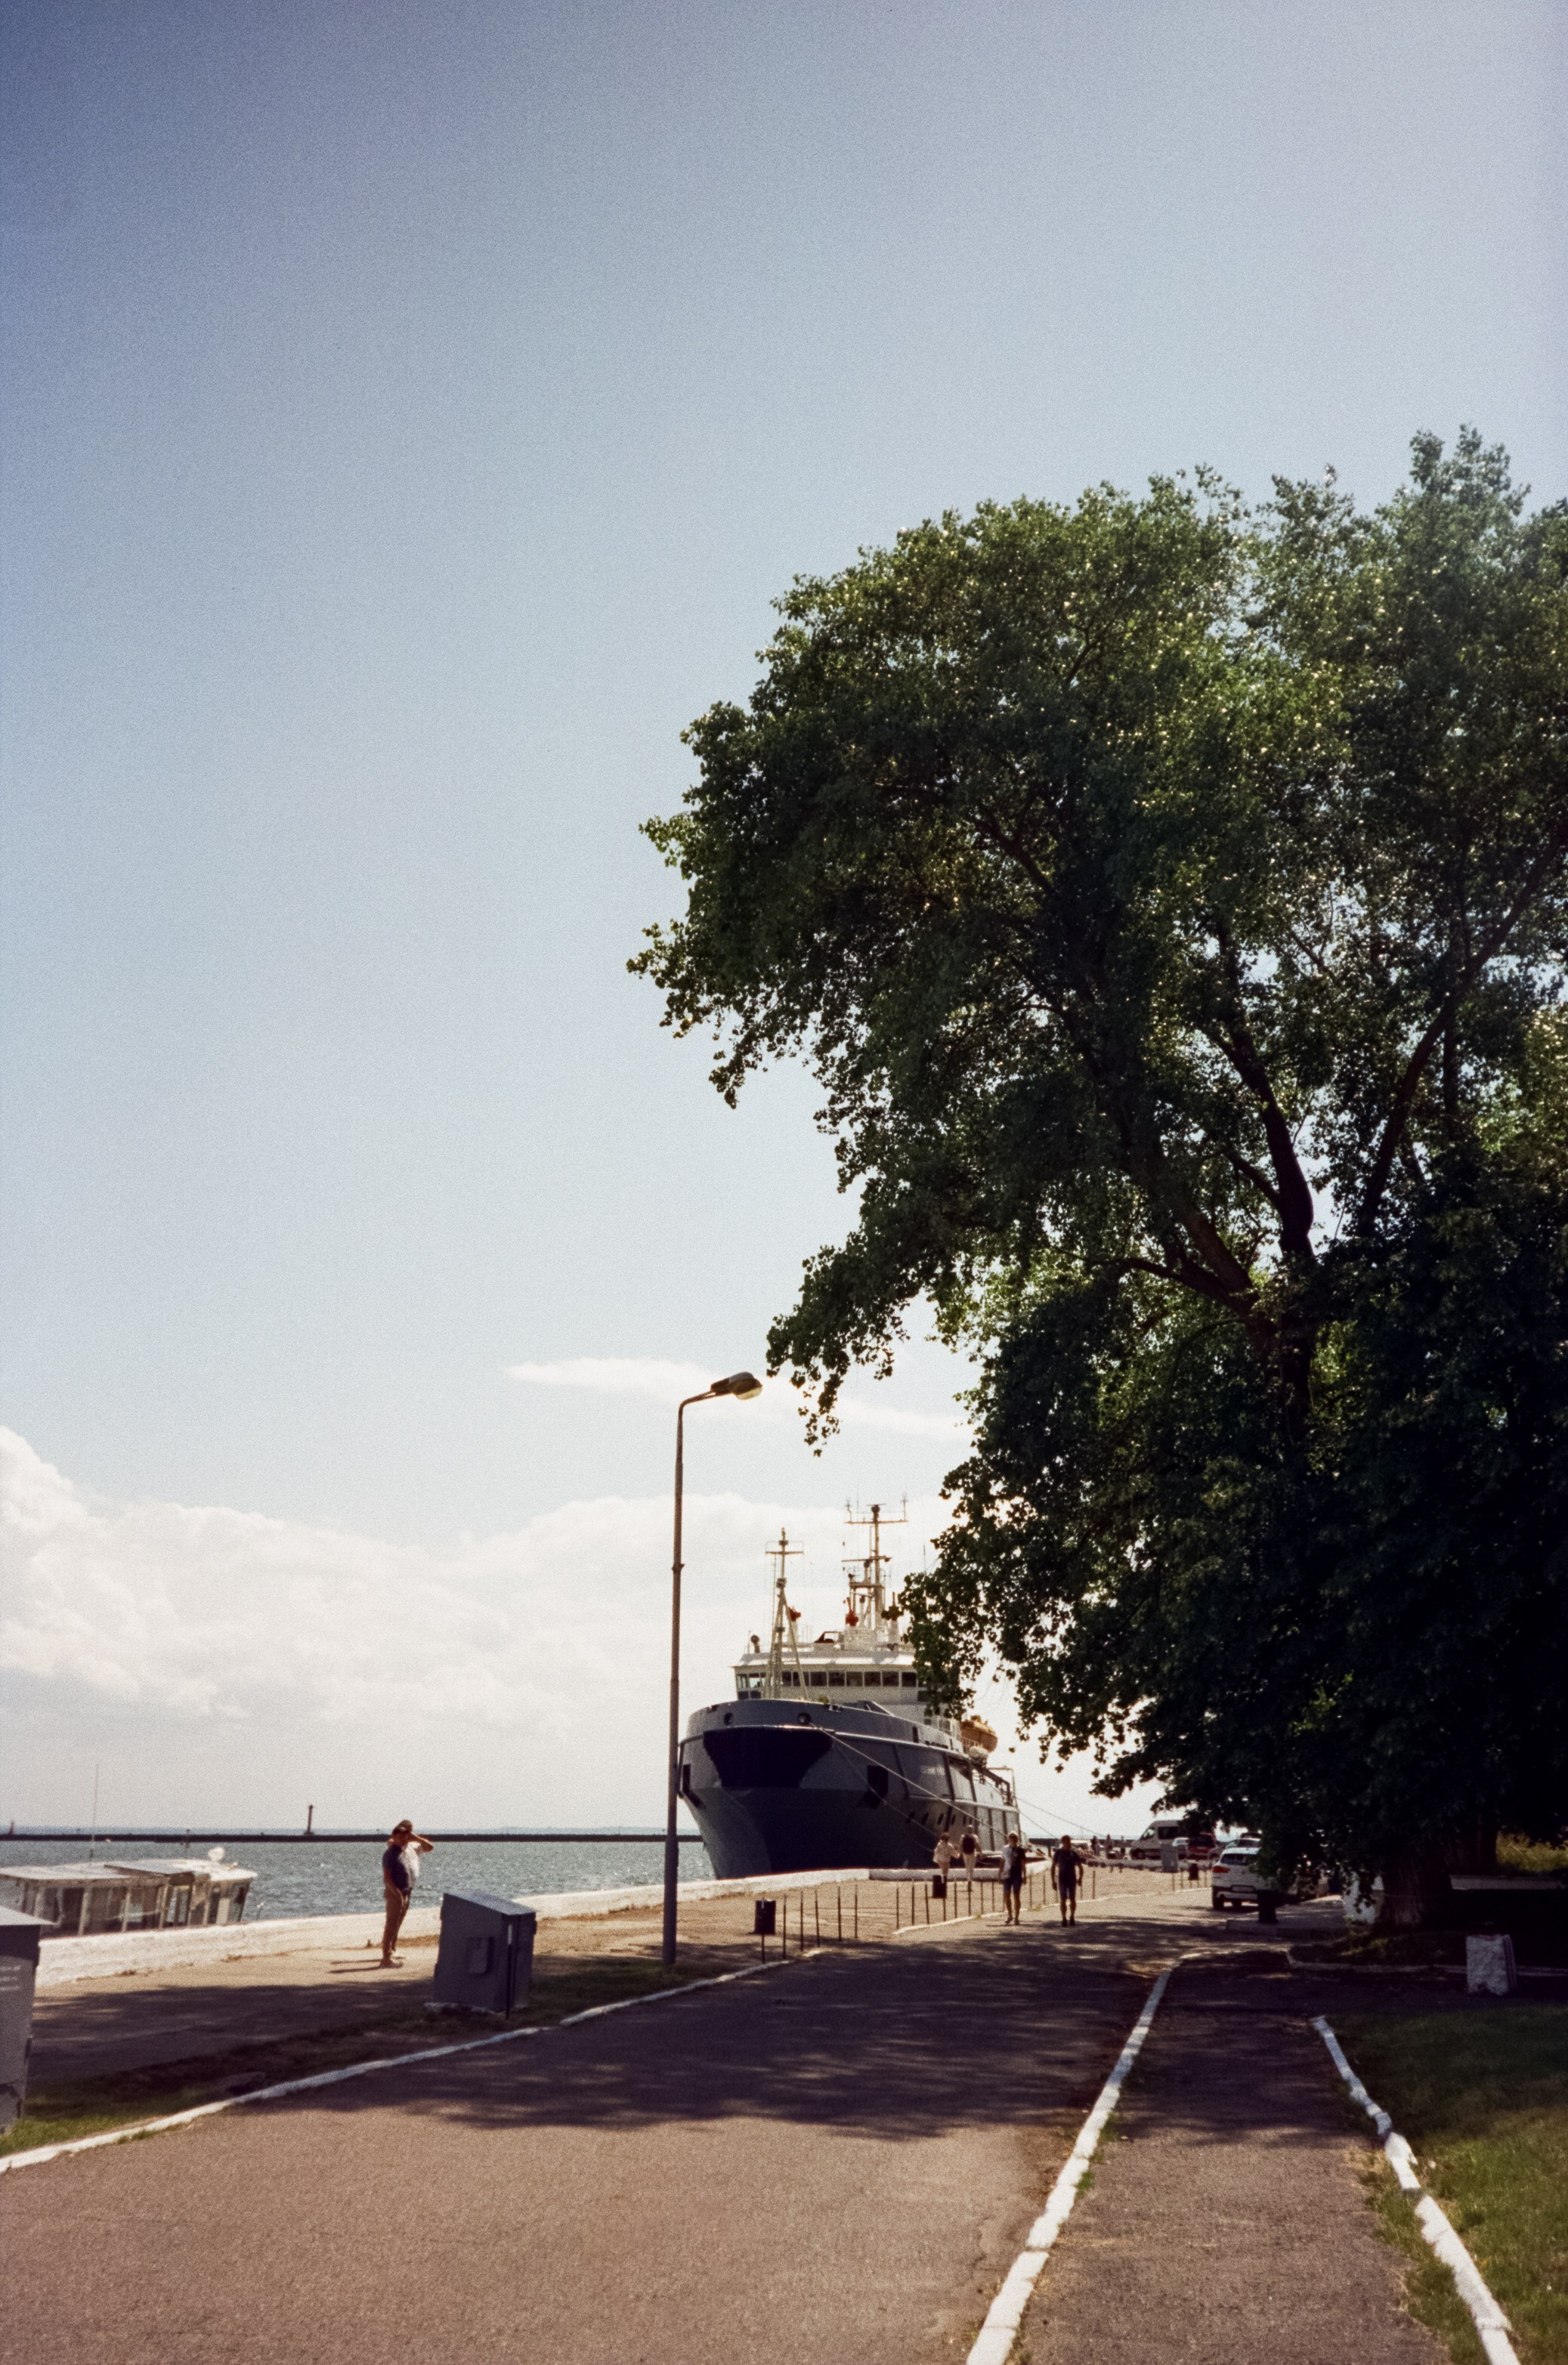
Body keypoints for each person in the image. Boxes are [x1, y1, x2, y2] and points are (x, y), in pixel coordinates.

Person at [379, 1819, 434, 1967]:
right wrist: (397, 1894)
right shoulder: (393, 1850)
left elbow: (430, 1847)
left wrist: (415, 1838)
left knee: (398, 1921)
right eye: (403, 1834)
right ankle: (386, 1957)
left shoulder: (410, 1847)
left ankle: (391, 1950)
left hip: (407, 1889)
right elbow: (387, 1877)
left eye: (408, 1833)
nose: (405, 1837)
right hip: (396, 1891)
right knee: (391, 1923)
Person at [1050, 1835, 1085, 1925]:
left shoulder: (1074, 1853)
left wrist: (1080, 1878)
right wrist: (1053, 1881)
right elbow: (1053, 1867)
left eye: (1069, 1841)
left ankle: (1072, 1916)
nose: (1068, 1843)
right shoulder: (1058, 1853)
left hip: (1072, 1878)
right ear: (1063, 1843)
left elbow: (1080, 1867)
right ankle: (1064, 1918)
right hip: (1062, 1878)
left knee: (1072, 1899)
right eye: (1066, 1842)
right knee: (1063, 1899)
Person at [1001, 1832, 1027, 1923]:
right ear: (1009, 1839)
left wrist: (1024, 1875)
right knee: (1007, 1895)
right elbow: (1002, 1861)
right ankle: (1010, 1915)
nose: (1013, 1839)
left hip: (1017, 1874)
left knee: (1016, 1895)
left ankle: (1017, 1917)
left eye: (1015, 1838)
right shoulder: (1005, 1849)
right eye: (1011, 1837)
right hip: (1007, 1874)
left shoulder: (1020, 1850)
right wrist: (1000, 1874)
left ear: (1017, 1839)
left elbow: (1023, 1863)